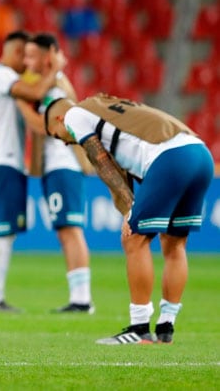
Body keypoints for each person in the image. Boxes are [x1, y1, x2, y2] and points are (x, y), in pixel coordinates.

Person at [45, 94, 213, 344]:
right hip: (200, 154)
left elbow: (101, 162)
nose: (66, 143)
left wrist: (131, 207)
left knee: (133, 239)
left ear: (60, 118)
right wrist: (129, 206)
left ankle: (140, 328)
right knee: (174, 244)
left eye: (59, 135)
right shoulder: (106, 110)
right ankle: (166, 328)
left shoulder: (75, 115)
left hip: (170, 158)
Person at [0, 30, 61, 313]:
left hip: (6, 161)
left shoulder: (0, 77)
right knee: (3, 233)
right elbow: (36, 91)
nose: (27, 63)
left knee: (6, 233)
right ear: (14, 52)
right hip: (2, 161)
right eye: (24, 55)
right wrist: (55, 71)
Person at [20, 33, 93, 314]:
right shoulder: (51, 85)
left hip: (64, 165)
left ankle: (82, 299)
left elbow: (43, 126)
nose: (27, 62)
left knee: (70, 230)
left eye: (31, 56)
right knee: (65, 231)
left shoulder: (56, 90)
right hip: (56, 167)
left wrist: (21, 107)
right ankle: (79, 297)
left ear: (47, 55)